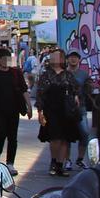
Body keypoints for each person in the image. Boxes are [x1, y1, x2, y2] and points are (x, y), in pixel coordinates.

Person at [0, 47, 30, 175]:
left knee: (12, 137)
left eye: (7, 58)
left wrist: (29, 105)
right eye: (2, 59)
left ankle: (10, 163)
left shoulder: (16, 73)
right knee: (1, 132)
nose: (5, 61)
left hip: (14, 108)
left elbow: (24, 89)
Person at [36, 48, 82, 177]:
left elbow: (76, 89)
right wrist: (40, 111)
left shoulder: (67, 75)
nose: (55, 59)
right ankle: (54, 161)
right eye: (53, 56)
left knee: (65, 138)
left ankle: (61, 165)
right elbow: (40, 94)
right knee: (54, 138)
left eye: (58, 56)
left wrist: (76, 97)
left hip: (66, 109)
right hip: (51, 109)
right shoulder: (46, 75)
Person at [67, 51, 93, 169]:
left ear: (79, 60)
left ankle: (80, 159)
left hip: (80, 107)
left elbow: (89, 89)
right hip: (66, 107)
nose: (73, 59)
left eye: (75, 57)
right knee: (66, 135)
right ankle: (67, 160)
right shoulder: (64, 73)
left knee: (85, 133)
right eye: (71, 57)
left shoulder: (84, 74)